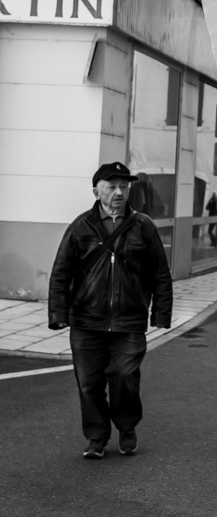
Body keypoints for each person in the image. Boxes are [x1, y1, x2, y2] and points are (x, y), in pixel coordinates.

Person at [47, 160, 173, 459]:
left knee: (124, 375)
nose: (119, 192)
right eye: (112, 187)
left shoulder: (143, 225)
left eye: (124, 187)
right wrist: (57, 314)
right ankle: (97, 437)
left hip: (129, 319)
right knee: (89, 383)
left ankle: (127, 426)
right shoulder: (81, 226)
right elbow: (61, 272)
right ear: (96, 190)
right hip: (86, 321)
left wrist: (161, 313)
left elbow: (160, 273)